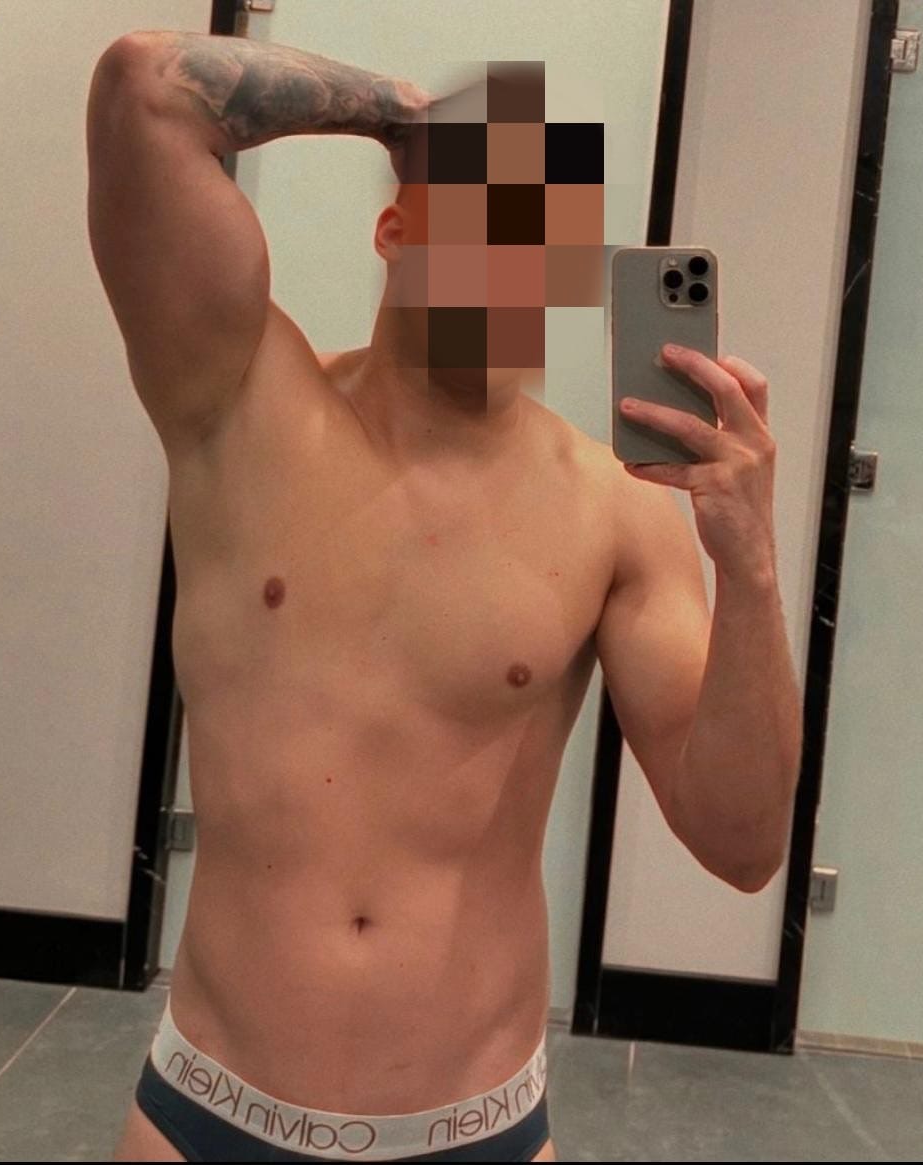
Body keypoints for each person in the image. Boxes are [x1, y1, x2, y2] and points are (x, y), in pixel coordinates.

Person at [87, 30, 726, 1164]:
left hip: (475, 1129)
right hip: (208, 1115)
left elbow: (741, 839)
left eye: (542, 237)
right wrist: (405, 114)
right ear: (396, 231)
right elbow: (145, 88)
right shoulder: (238, 403)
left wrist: (753, 564)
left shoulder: (616, 510)